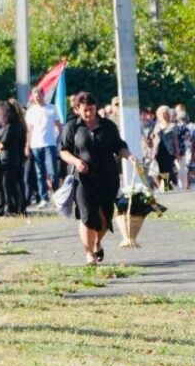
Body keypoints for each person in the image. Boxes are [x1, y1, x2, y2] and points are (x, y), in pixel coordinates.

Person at [59, 91, 136, 264]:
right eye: (85, 110)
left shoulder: (108, 126)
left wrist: (129, 156)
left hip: (108, 177)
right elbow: (64, 151)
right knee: (87, 216)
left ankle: (97, 243)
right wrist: (76, 162)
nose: (89, 113)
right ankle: (89, 254)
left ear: (96, 108)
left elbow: (119, 146)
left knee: (104, 218)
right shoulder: (72, 127)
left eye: (92, 109)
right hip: (83, 179)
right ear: (78, 109)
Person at [25, 87, 62, 208]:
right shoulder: (31, 111)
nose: (37, 98)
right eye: (35, 96)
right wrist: (27, 145)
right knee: (39, 173)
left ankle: (56, 197)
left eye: (39, 95)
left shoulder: (51, 108)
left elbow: (58, 126)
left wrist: (58, 140)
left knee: (52, 172)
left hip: (49, 144)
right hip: (36, 145)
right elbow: (29, 131)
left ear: (43, 95)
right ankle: (44, 198)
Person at [0, 101, 26, 216]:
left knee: (9, 185)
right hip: (14, 157)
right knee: (13, 184)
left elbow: (3, 143)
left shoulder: (10, 126)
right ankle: (17, 207)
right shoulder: (17, 124)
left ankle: (12, 209)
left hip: (8, 158)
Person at [150, 105, 180, 191]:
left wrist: (177, 152)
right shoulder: (157, 125)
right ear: (159, 115)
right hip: (159, 150)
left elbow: (175, 140)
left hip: (169, 151)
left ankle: (168, 185)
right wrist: (153, 152)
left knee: (167, 168)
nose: (163, 115)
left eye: (165, 113)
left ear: (168, 114)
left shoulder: (173, 126)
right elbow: (155, 139)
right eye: (161, 114)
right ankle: (165, 186)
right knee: (160, 169)